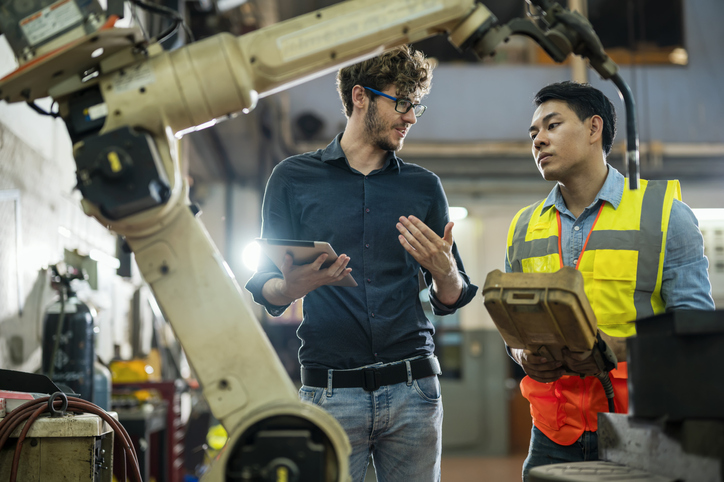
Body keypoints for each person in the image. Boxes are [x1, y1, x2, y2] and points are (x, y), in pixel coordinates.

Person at [245, 45, 478, 482]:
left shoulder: (424, 187)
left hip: (414, 392)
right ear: (360, 97)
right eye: (402, 103)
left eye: (415, 107)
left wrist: (446, 272)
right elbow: (266, 287)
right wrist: (292, 287)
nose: (410, 117)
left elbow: (452, 294)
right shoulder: (292, 178)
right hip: (330, 394)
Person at [505, 81, 715, 481]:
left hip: (641, 429)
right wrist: (522, 355)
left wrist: (614, 347)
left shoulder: (665, 216)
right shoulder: (524, 227)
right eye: (533, 133)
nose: (539, 140)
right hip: (552, 433)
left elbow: (695, 332)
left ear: (593, 128)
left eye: (552, 126)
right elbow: (513, 331)